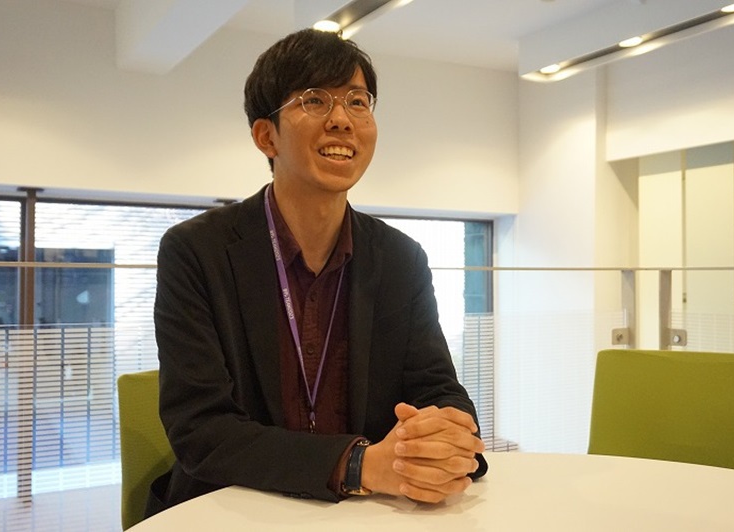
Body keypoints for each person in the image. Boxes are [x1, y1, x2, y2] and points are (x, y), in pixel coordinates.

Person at [147, 28, 487, 518]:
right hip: (234, 510)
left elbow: (437, 389)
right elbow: (201, 431)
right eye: (314, 100)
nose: (342, 120)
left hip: (365, 515)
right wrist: (358, 465)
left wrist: (445, 438)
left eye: (358, 102)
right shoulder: (197, 252)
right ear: (266, 136)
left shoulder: (400, 258)